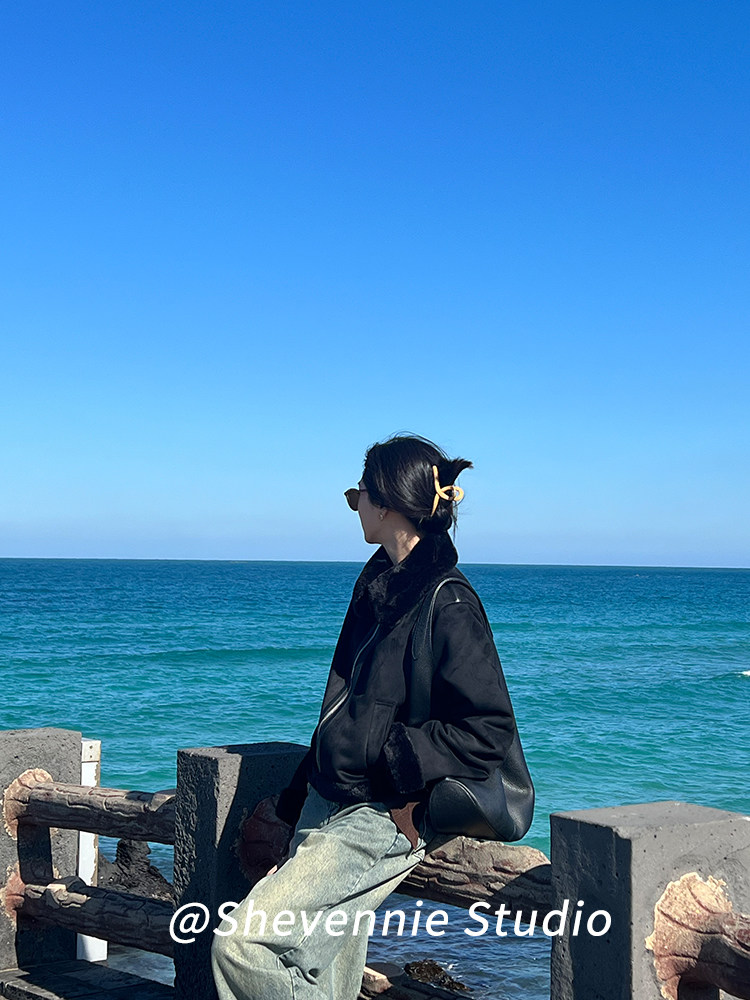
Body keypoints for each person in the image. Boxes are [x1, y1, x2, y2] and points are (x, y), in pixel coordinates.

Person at [212, 434, 516, 1000]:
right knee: (320, 975)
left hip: (383, 814)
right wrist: (296, 796)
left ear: (387, 504)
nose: (354, 506)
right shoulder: (376, 590)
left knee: (243, 945)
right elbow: (345, 709)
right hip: (329, 801)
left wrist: (394, 758)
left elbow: (488, 730)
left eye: (359, 496)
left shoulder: (449, 601)